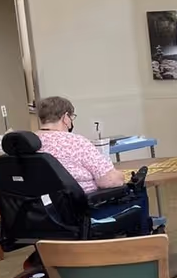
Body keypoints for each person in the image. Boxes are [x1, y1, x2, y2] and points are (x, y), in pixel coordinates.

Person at [35, 95, 152, 233]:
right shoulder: (75, 142)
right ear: (66, 117)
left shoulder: (28, 144)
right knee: (137, 190)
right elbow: (109, 181)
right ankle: (143, 247)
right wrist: (120, 176)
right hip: (82, 213)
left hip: (43, 214)